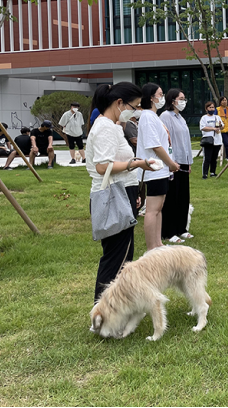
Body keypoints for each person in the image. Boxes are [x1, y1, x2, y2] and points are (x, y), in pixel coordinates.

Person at [86, 82, 156, 303]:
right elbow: (102, 166)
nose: (135, 112)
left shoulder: (112, 126)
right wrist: (133, 165)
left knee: (121, 256)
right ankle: (106, 312)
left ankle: (114, 309)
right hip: (112, 196)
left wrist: (138, 164)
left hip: (121, 192)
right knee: (117, 259)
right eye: (133, 106)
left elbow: (118, 161)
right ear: (119, 103)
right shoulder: (105, 127)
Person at [137, 83, 180, 251]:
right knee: (152, 209)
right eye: (160, 94)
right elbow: (154, 145)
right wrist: (170, 163)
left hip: (161, 170)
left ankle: (158, 243)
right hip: (154, 169)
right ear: (151, 98)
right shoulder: (147, 116)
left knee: (159, 208)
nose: (162, 97)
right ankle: (151, 247)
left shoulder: (154, 116)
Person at [160, 89, 194, 244]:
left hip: (184, 161)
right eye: (181, 98)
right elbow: (166, 140)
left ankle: (182, 228)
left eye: (184, 98)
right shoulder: (166, 117)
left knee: (183, 196)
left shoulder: (180, 117)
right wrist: (170, 162)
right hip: (173, 162)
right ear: (172, 100)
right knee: (172, 197)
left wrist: (189, 161)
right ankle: (169, 231)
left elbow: (186, 141)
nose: (183, 101)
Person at [200, 101, 223, 178]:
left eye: (213, 107)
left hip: (217, 140)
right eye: (210, 107)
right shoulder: (204, 118)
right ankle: (205, 173)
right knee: (207, 158)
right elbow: (203, 128)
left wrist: (219, 126)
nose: (211, 109)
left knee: (214, 157)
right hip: (208, 140)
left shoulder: (217, 117)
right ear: (206, 109)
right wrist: (213, 128)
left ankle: (212, 172)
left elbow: (222, 126)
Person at [217, 96, 228, 161]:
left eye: (225, 100)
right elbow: (216, 119)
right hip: (222, 130)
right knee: (226, 143)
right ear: (220, 102)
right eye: (223, 100)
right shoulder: (217, 109)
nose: (224, 101)